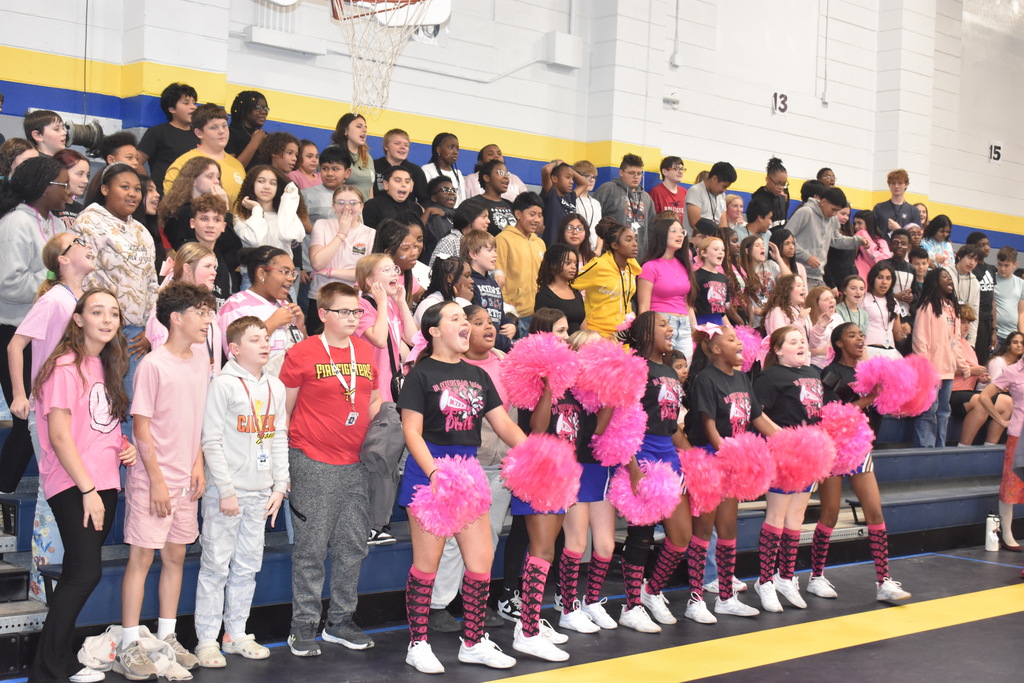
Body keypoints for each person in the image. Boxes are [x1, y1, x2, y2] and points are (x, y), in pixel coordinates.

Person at [398, 301, 525, 674]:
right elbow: (411, 431)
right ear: (434, 331)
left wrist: (537, 454)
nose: (465, 324)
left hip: (469, 473)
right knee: (426, 565)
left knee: (481, 562)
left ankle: (473, 641)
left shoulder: (479, 375)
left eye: (464, 319)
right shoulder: (420, 375)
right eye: (455, 318)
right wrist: (435, 474)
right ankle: (417, 644)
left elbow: (504, 426)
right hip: (431, 474)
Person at [27, 289, 137, 683]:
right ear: (78, 319)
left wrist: (124, 446)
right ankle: (53, 667)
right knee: (85, 574)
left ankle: (47, 667)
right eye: (97, 312)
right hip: (75, 484)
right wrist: (88, 490)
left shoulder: (107, 364)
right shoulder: (64, 366)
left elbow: (99, 426)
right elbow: (59, 436)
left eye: (114, 313)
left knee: (78, 570)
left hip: (103, 481)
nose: (107, 320)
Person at [118, 282, 215, 678]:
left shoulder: (201, 357)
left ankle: (168, 637)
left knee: (176, 556)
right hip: (152, 477)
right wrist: (156, 480)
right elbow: (141, 427)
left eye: (209, 312)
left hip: (185, 477)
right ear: (176, 318)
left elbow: (196, 418)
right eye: (200, 312)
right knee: (142, 557)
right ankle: (128, 644)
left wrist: (197, 464)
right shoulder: (154, 365)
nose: (208, 320)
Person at [278, 281, 380, 656]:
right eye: (345, 312)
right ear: (323, 314)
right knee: (311, 547)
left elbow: (373, 398)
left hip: (357, 463)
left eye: (357, 312)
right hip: (312, 459)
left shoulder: (367, 353)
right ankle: (302, 624)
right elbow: (282, 412)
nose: (354, 318)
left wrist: (385, 427)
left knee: (353, 545)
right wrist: (283, 465)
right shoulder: (302, 353)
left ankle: (340, 621)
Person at [194, 316, 288, 667]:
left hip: (262, 492)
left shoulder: (275, 387)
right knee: (215, 567)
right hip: (226, 493)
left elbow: (278, 436)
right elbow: (212, 440)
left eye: (265, 338)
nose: (264, 344)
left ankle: (235, 633)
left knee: (248, 567)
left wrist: (280, 485)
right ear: (233, 349)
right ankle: (206, 639)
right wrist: (226, 489)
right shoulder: (223, 385)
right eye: (254, 339)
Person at [8, 233, 94, 599]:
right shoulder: (56, 298)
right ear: (62, 258)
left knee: (69, 488)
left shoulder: (82, 300)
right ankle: (43, 589)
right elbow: (16, 343)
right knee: (52, 493)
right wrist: (18, 393)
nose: (88, 244)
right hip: (48, 406)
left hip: (77, 405)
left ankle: (61, 582)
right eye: (78, 241)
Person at [427, 304, 512, 633]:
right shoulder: (451, 368)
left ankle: (474, 599)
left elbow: (508, 419)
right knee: (450, 540)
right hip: (465, 465)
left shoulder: (504, 364)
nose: (488, 328)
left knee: (486, 539)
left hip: (499, 465)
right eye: (478, 323)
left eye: (490, 322)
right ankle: (438, 603)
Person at [814, 323, 912, 602]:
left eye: (860, 334)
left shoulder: (873, 370)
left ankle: (883, 581)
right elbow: (832, 414)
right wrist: (869, 397)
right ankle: (816, 576)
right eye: (852, 335)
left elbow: (884, 407)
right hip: (833, 448)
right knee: (829, 514)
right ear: (839, 343)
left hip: (860, 448)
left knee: (875, 513)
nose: (859, 339)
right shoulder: (831, 374)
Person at [684, 324, 775, 623]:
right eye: (731, 339)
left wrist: (784, 440)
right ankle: (695, 600)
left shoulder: (741, 378)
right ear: (714, 349)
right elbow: (708, 427)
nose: (739, 343)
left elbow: (757, 418)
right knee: (702, 531)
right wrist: (728, 454)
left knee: (728, 529)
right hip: (711, 460)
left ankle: (725, 597)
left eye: (738, 339)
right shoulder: (704, 380)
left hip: (733, 460)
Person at [615, 313, 693, 632]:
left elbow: (670, 423)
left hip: (668, 453)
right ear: (646, 331)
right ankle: (631, 606)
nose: (670, 329)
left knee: (681, 536)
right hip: (642, 452)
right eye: (662, 325)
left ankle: (651, 592)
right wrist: (633, 468)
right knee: (641, 535)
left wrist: (689, 454)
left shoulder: (667, 371)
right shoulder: (633, 368)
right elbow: (622, 420)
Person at [0, 156, 69, 490]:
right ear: (45, 187)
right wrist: (53, 285)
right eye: (63, 184)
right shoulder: (16, 223)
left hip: (51, 335)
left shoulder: (58, 224)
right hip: (15, 332)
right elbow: (7, 281)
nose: (69, 191)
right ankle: (4, 489)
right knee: (26, 419)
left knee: (47, 417)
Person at [73, 164, 157, 408]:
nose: (133, 194)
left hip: (137, 336)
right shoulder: (89, 223)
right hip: (104, 332)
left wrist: (150, 328)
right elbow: (82, 278)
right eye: (125, 187)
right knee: (106, 404)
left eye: (137, 189)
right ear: (105, 189)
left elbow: (152, 281)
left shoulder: (141, 230)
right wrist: (103, 325)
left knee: (134, 406)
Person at [752, 327, 824, 613]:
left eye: (803, 341)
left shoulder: (814, 373)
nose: (801, 345)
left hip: (809, 454)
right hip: (783, 453)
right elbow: (756, 412)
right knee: (777, 516)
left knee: (797, 516)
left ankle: (786, 576)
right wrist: (778, 435)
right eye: (793, 342)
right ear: (778, 350)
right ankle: (765, 581)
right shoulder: (770, 377)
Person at [555, 329, 619, 633]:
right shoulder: (565, 388)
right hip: (574, 468)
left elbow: (603, 435)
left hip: (599, 469)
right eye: (589, 350)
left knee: (605, 545)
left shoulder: (606, 389)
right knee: (577, 542)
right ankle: (568, 607)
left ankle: (592, 600)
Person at [913, 268, 978, 448]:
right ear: (935, 282)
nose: (949, 280)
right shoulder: (927, 307)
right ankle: (925, 449)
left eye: (950, 277)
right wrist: (925, 370)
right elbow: (920, 340)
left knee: (943, 411)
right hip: (931, 371)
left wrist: (963, 366)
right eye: (944, 277)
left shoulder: (952, 308)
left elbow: (955, 342)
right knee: (929, 411)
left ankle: (939, 448)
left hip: (948, 371)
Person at [218, 247, 305, 375]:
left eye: (293, 273)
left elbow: (302, 352)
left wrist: (301, 327)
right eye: (284, 272)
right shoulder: (235, 305)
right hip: (253, 387)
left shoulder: (285, 305)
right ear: (262, 273)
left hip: (287, 387)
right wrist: (273, 322)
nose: (291, 278)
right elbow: (234, 353)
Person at [976, 334, 1024, 550]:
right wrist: (1001, 420)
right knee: (1011, 483)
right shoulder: (1012, 371)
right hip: (1018, 433)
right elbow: (985, 396)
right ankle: (1007, 533)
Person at [145, 242, 223, 370]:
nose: (213, 272)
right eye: (207, 266)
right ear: (187, 269)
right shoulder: (168, 309)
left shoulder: (205, 306)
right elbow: (165, 363)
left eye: (214, 267)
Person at [308, 185, 374, 330]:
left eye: (353, 203)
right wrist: (341, 234)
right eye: (341, 203)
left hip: (353, 300)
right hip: (321, 297)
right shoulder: (322, 225)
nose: (347, 207)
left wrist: (329, 272)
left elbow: (364, 275)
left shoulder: (370, 234)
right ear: (333, 206)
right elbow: (318, 263)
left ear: (361, 206)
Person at [355, 253, 417, 403]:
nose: (394, 273)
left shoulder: (392, 303)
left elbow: (413, 339)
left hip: (393, 380)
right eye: (386, 269)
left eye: (394, 268)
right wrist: (382, 304)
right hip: (372, 383)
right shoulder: (361, 305)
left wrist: (402, 304)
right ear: (370, 281)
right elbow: (379, 340)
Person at [164, 103, 247, 205]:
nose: (222, 131)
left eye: (224, 126)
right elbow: (172, 205)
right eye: (214, 127)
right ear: (199, 133)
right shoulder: (184, 162)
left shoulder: (237, 165)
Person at [638, 217, 697, 357]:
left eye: (681, 231)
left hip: (684, 324)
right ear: (662, 234)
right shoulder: (649, 267)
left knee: (684, 370)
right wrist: (646, 333)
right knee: (663, 371)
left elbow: (688, 303)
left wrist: (695, 330)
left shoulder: (684, 265)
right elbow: (643, 307)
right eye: (674, 231)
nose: (679, 235)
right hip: (660, 323)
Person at [954, 311, 1013, 449]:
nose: (967, 326)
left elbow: (969, 372)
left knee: (1008, 403)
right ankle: (963, 447)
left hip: (969, 391)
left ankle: (989, 446)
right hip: (952, 391)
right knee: (981, 402)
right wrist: (970, 371)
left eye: (968, 323)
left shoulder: (967, 345)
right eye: (963, 322)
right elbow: (941, 370)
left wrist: (980, 377)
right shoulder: (949, 343)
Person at [572, 219, 641, 337]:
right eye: (628, 240)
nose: (635, 244)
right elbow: (569, 285)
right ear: (615, 245)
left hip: (623, 336)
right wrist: (583, 327)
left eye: (635, 239)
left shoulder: (631, 268)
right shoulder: (599, 265)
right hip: (598, 334)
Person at [787, 187, 864, 289]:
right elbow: (786, 239)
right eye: (833, 209)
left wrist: (857, 241)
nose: (834, 214)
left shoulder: (832, 219)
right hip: (799, 273)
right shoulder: (806, 212)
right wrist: (806, 257)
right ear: (823, 202)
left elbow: (836, 240)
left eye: (837, 211)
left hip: (819, 276)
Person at [496, 192, 547, 336]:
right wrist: (507, 311)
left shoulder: (540, 242)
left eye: (539, 215)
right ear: (518, 214)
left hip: (538, 315)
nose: (536, 219)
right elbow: (498, 276)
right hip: (515, 316)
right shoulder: (503, 239)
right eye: (532, 214)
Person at [137, 83, 199, 193]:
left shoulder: (199, 134)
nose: (193, 107)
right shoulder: (157, 132)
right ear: (172, 109)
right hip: (164, 196)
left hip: (192, 198)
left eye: (194, 103)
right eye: (186, 103)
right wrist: (150, 186)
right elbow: (136, 161)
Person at [182, 192, 241, 308]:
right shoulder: (187, 256)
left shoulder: (223, 261)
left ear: (223, 226)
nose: (210, 225)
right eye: (204, 219)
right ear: (192, 223)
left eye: (216, 220)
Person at [592, 154, 656, 257]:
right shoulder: (608, 189)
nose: (636, 177)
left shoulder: (646, 198)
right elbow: (593, 220)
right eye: (631, 173)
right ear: (621, 172)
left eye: (639, 174)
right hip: (609, 255)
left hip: (638, 258)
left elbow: (652, 229)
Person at [464, 229, 515, 353]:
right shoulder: (469, 282)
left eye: (495, 250)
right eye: (489, 250)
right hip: (480, 345)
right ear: (473, 254)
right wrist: (505, 342)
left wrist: (511, 325)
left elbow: (500, 313)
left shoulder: (493, 282)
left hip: (497, 342)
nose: (495, 255)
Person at [534, 244, 586, 334]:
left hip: (578, 345)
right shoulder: (544, 296)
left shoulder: (576, 293)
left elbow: (583, 326)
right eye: (568, 263)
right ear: (554, 264)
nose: (573, 267)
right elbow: (544, 331)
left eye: (575, 263)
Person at [863, 263, 908, 359]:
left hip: (890, 353)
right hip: (869, 350)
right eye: (880, 277)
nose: (884, 282)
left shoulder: (893, 301)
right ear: (872, 279)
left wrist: (904, 332)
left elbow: (897, 336)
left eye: (888, 278)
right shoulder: (864, 299)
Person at [414, 256, 474, 326]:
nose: (472, 281)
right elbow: (456, 330)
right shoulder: (430, 304)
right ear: (450, 278)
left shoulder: (453, 300)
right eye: (466, 276)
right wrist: (463, 301)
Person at [372, 128, 429, 203]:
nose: (403, 147)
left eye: (406, 145)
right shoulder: (373, 165)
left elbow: (425, 200)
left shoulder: (416, 171)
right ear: (386, 146)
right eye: (397, 143)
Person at [966, 232, 998, 364]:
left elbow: (992, 300)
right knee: (973, 357)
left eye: (988, 244)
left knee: (984, 359)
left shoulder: (991, 269)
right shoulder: (971, 269)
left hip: (987, 320)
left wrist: (994, 329)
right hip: (975, 318)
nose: (987, 248)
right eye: (982, 245)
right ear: (973, 247)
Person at [429, 199, 489, 269]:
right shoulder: (450, 241)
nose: (488, 221)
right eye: (483, 216)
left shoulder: (483, 242)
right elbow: (434, 272)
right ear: (469, 218)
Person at [942, 244, 982, 348]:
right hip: (943, 331)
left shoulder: (975, 283)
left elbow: (975, 314)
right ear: (959, 256)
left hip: (962, 338)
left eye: (976, 260)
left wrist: (971, 343)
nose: (972, 263)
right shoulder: (945, 274)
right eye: (969, 257)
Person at [540, 161, 588, 246]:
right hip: (553, 246)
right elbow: (546, 170)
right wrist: (557, 162)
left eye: (572, 178)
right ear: (554, 179)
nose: (572, 182)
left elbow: (584, 183)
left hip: (568, 246)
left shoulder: (570, 197)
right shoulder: (551, 195)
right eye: (567, 177)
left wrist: (569, 170)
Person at [682, 161, 736, 236]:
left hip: (713, 243)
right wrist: (717, 232)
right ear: (714, 179)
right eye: (724, 186)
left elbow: (723, 224)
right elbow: (695, 223)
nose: (725, 190)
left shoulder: (722, 195)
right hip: (694, 242)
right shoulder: (696, 191)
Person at [466, 161, 515, 236]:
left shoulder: (510, 205)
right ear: (486, 178)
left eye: (507, 174)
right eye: (500, 173)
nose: (506, 177)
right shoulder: (473, 204)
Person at [692, 235, 731, 326]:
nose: (721, 253)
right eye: (716, 249)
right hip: (702, 322)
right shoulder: (696, 276)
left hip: (719, 322)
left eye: (723, 250)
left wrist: (729, 327)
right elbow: (691, 305)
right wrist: (695, 327)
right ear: (704, 253)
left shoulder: (723, 278)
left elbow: (721, 311)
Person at [226, 91, 268, 169]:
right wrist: (254, 143)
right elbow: (232, 170)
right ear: (244, 109)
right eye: (258, 108)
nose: (263, 112)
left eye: (265, 108)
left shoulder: (265, 136)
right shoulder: (230, 134)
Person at [872, 169, 921, 236]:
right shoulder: (879, 208)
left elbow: (915, 237)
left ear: (906, 185)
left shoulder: (913, 211)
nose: (896, 186)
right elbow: (873, 232)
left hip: (905, 246)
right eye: (893, 183)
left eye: (900, 183)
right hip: (883, 245)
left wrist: (898, 230)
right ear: (889, 185)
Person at [421, 132, 466, 204]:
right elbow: (424, 198)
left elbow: (462, 200)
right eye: (450, 147)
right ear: (439, 149)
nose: (455, 152)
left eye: (457, 149)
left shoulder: (458, 174)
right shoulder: (427, 170)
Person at [52, 148, 91, 231]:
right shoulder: (49, 207)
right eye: (80, 174)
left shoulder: (82, 210)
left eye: (87, 175)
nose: (86, 181)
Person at [749, 157, 790, 232]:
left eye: (783, 184)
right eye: (777, 183)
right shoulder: (758, 198)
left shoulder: (784, 196)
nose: (781, 187)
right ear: (767, 179)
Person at [994, 246, 1024, 345]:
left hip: (1013, 335)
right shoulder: (991, 280)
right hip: (995, 334)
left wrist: (1021, 335)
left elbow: (1021, 313)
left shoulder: (1021, 283)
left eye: (1006, 265)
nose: (1002, 268)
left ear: (1015, 265)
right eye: (999, 264)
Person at [572, 160, 603, 250]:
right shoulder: (572, 200)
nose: (592, 180)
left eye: (594, 177)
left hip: (593, 250)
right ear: (576, 177)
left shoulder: (596, 203)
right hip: (576, 249)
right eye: (587, 176)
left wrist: (598, 250)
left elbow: (599, 230)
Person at [852, 209, 891, 281]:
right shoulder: (852, 241)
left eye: (859, 223)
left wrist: (863, 234)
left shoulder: (882, 242)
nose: (856, 227)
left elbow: (884, 264)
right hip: (856, 282)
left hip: (875, 284)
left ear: (869, 224)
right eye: (855, 223)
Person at [808, 285, 841, 368]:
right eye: (826, 299)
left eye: (832, 298)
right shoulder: (810, 321)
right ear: (816, 304)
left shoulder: (837, 317)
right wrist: (820, 327)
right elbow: (813, 344)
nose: (831, 301)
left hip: (835, 364)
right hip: (817, 365)